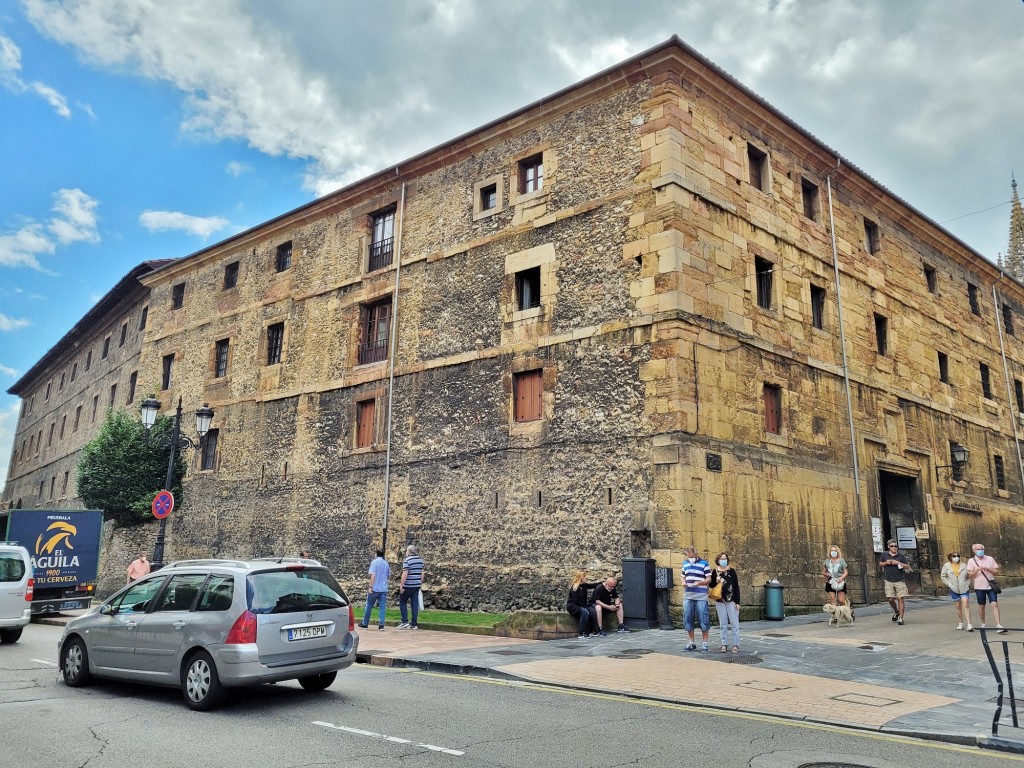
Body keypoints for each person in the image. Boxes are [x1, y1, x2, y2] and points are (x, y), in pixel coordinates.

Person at [968, 543, 1006, 633]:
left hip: (990, 586)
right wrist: (976, 570)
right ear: (974, 550)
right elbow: (970, 575)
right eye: (978, 549)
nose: (980, 550)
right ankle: (983, 623)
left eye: (981, 549)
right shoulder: (971, 561)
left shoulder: (990, 559)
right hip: (979, 587)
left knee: (994, 604)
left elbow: (996, 572)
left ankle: (998, 625)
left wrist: (988, 569)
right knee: (981, 605)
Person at [681, 546, 712, 652]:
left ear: (695, 553)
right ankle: (691, 643)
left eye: (690, 553)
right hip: (688, 596)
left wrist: (699, 583)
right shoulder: (684, 563)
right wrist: (683, 583)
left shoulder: (704, 564)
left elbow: (709, 579)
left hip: (701, 597)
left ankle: (705, 643)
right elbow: (683, 576)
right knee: (688, 618)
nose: (688, 555)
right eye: (687, 554)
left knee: (703, 618)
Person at [710, 552, 741, 653]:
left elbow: (736, 587)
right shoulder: (715, 571)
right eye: (721, 558)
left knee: (734, 623)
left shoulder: (731, 571)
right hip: (720, 600)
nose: (723, 560)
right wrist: (716, 580)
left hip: (731, 600)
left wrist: (737, 602)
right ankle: (724, 644)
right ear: (718, 560)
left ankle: (736, 645)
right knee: (723, 623)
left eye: (725, 558)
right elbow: (711, 585)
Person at [879, 539, 912, 625]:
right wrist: (886, 562)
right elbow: (880, 564)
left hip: (899, 580)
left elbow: (907, 567)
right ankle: (896, 611)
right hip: (889, 580)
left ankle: (901, 618)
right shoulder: (884, 554)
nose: (894, 548)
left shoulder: (901, 556)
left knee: (900, 599)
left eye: (895, 546)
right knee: (890, 599)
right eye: (892, 546)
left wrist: (898, 562)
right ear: (888, 547)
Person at [940, 550, 973, 631]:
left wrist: (967, 583)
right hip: (954, 588)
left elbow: (968, 576)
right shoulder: (946, 566)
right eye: (954, 556)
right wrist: (949, 584)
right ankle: (960, 623)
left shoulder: (964, 565)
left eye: (957, 556)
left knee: (965, 603)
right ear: (950, 557)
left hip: (964, 587)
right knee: (958, 606)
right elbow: (943, 576)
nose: (956, 557)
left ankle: (969, 624)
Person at [359, 548, 390, 631]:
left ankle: (365, 623)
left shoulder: (374, 562)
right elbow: (387, 575)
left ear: (376, 554)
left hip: (375, 588)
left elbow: (373, 576)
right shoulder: (386, 563)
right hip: (383, 588)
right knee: (382, 607)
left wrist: (370, 587)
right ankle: (381, 625)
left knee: (369, 605)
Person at [397, 544, 424, 629]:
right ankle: (414, 624)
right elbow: (422, 573)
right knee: (414, 604)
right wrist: (420, 582)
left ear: (409, 551)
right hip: (416, 585)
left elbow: (405, 573)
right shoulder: (420, 561)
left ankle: (404, 621)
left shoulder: (407, 560)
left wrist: (401, 585)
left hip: (408, 585)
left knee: (402, 602)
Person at [566, 570, 598, 638]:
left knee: (592, 611)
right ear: (581, 578)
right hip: (573, 605)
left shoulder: (584, 585)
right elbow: (575, 600)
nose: (586, 577)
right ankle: (581, 633)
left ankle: (592, 631)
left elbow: (593, 585)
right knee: (585, 612)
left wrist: (603, 583)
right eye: (584, 576)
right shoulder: (574, 587)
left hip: (582, 605)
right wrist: (584, 607)